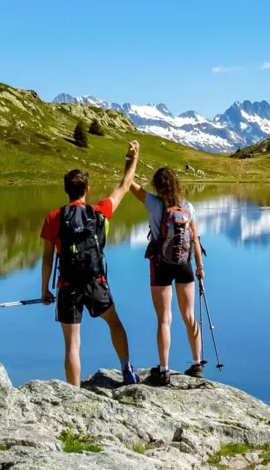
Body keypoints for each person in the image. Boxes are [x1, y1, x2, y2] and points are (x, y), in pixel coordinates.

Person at [39, 141, 141, 386]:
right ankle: (127, 370)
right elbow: (125, 186)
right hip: (95, 282)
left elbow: (47, 258)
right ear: (86, 188)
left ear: (67, 190)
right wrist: (132, 158)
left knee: (72, 345)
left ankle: (73, 393)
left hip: (67, 286)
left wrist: (45, 290)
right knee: (114, 323)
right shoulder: (100, 211)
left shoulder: (54, 217)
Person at [129, 167, 206, 385]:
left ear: (157, 185)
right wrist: (200, 268)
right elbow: (196, 240)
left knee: (164, 319)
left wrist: (130, 161)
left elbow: (129, 185)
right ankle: (197, 363)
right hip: (185, 264)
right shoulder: (188, 207)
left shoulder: (153, 203)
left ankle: (163, 369)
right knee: (189, 316)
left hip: (160, 264)